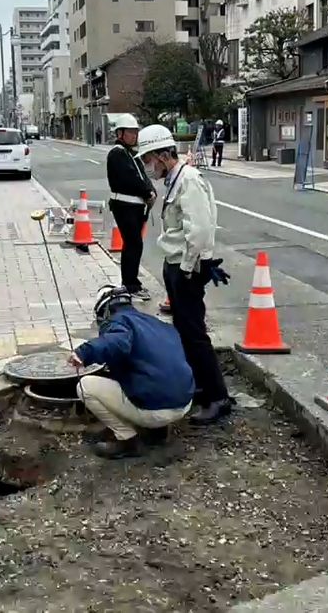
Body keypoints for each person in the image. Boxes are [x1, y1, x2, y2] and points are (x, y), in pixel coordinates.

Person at [134, 124, 234, 425]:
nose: (149, 167)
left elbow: (200, 231)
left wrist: (190, 269)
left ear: (164, 155)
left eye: (149, 159)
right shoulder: (176, 180)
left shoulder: (189, 180)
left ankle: (218, 397)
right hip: (176, 264)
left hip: (185, 267)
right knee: (185, 331)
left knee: (194, 333)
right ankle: (202, 386)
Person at [69, 285, 195, 459]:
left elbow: (117, 341)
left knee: (85, 386)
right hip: (184, 402)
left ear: (104, 310)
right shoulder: (158, 324)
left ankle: (126, 440)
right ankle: (158, 432)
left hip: (155, 410)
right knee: (151, 374)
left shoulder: (119, 322)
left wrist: (84, 352)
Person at [105, 114, 156, 300]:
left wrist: (151, 190)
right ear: (120, 133)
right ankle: (130, 285)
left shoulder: (132, 154)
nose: (134, 135)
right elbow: (130, 178)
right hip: (124, 205)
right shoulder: (117, 153)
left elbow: (143, 176)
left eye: (136, 132)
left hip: (136, 206)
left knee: (135, 244)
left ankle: (131, 283)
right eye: (130, 132)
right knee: (133, 244)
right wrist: (147, 192)